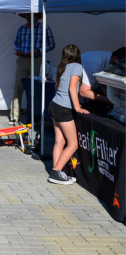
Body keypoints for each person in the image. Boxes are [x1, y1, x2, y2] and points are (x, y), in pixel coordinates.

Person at [47, 44, 87, 185]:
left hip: (53, 105)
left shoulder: (61, 67)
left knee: (60, 141)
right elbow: (72, 88)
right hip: (63, 109)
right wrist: (77, 107)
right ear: (77, 55)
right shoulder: (76, 66)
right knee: (73, 144)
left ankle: (57, 171)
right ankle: (56, 172)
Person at [10, 13, 55, 125]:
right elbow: (16, 43)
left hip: (37, 59)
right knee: (18, 87)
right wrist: (18, 49)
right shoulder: (22, 28)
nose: (28, 17)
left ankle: (36, 116)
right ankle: (14, 116)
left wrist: (38, 50)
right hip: (22, 59)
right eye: (26, 16)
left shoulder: (45, 27)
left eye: (31, 15)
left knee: (36, 88)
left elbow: (52, 44)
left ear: (36, 16)